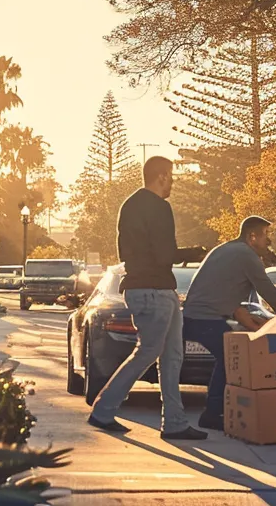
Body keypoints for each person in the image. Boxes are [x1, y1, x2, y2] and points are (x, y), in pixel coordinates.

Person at [87, 156, 207, 440]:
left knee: (172, 356)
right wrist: (192, 253)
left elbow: (130, 252)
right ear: (162, 176)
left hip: (150, 289)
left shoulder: (128, 206)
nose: (173, 183)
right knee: (150, 351)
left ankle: (175, 422)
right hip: (154, 289)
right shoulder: (160, 208)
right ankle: (103, 410)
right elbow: (165, 254)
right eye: (172, 177)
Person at [181, 215, 276, 430]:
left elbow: (231, 301)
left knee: (229, 355)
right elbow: (272, 295)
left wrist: (255, 326)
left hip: (194, 316)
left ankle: (217, 410)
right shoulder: (246, 255)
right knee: (231, 358)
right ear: (252, 237)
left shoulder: (225, 250)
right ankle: (212, 413)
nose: (268, 241)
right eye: (266, 235)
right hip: (205, 318)